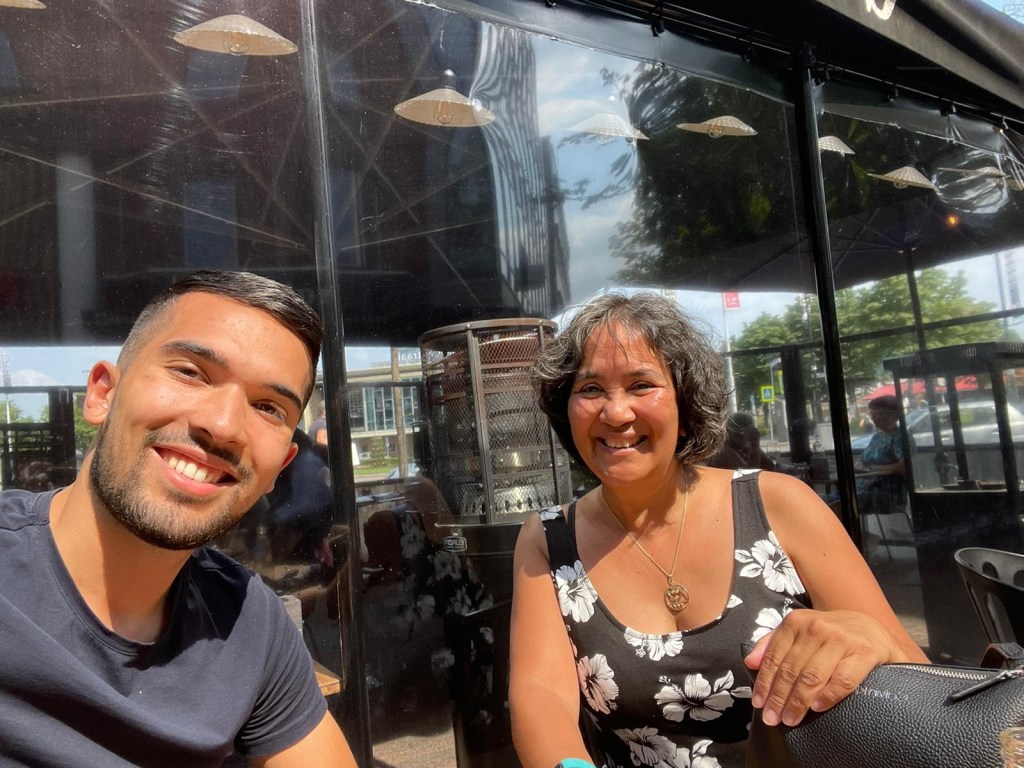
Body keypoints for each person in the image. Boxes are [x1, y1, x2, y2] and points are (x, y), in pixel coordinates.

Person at [509, 292, 926, 768]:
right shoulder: (548, 538)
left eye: (641, 385)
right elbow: (541, 695)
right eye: (590, 389)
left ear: (686, 408)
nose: (616, 412)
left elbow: (913, 669)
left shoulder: (779, 503)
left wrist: (867, 636)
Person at [0, 271, 356, 767]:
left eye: (268, 407)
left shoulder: (249, 624)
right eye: (190, 372)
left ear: (280, 468)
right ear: (102, 394)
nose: (223, 425)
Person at [855, 394, 910, 516]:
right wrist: (859, 466)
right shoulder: (877, 437)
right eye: (872, 414)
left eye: (877, 414)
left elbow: (904, 467)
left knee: (834, 506)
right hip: (864, 488)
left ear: (892, 416)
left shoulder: (899, 437)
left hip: (885, 492)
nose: (873, 418)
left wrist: (874, 469)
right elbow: (862, 459)